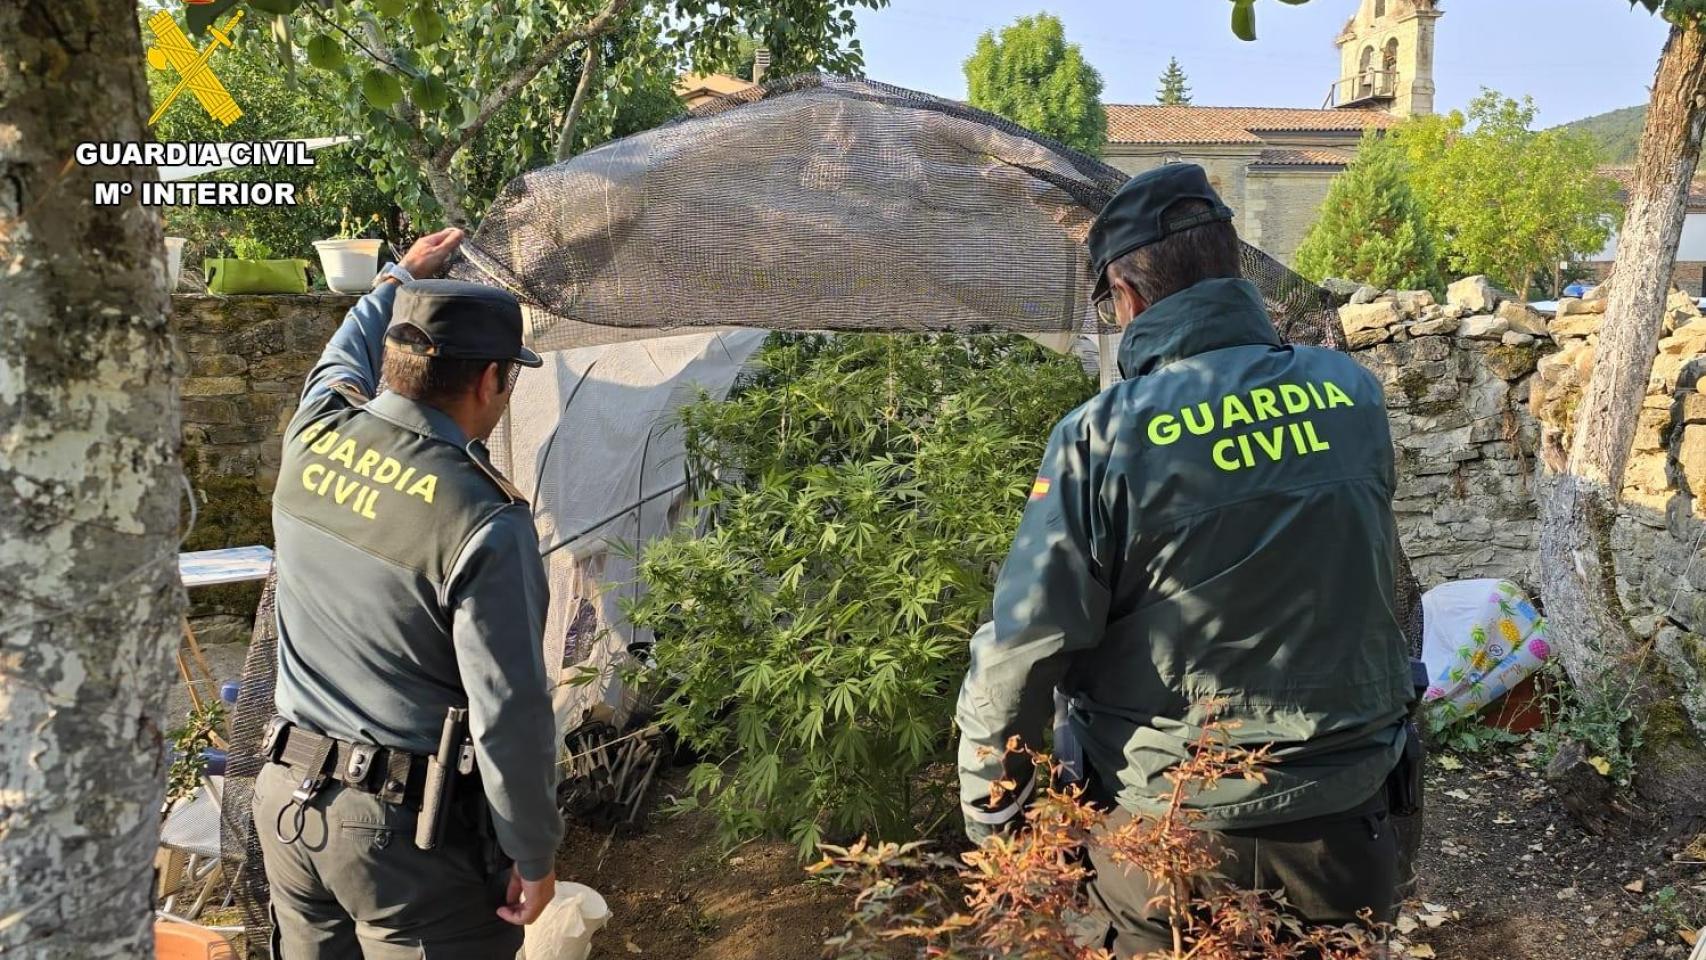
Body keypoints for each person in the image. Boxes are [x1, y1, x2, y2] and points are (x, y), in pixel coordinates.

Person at [954, 164, 1418, 953]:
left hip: (1172, 837)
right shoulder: (1352, 393)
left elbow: (1024, 646)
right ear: (1231, 271)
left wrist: (1000, 817)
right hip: (1350, 822)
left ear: (1127, 297)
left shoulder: (1101, 436)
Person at [254, 227, 562, 958]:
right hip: (403, 847)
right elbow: (509, 714)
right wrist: (534, 854)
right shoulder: (483, 519)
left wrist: (398, 276)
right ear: (491, 380)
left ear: (394, 362)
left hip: (288, 811)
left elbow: (338, 356)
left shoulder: (314, 434)